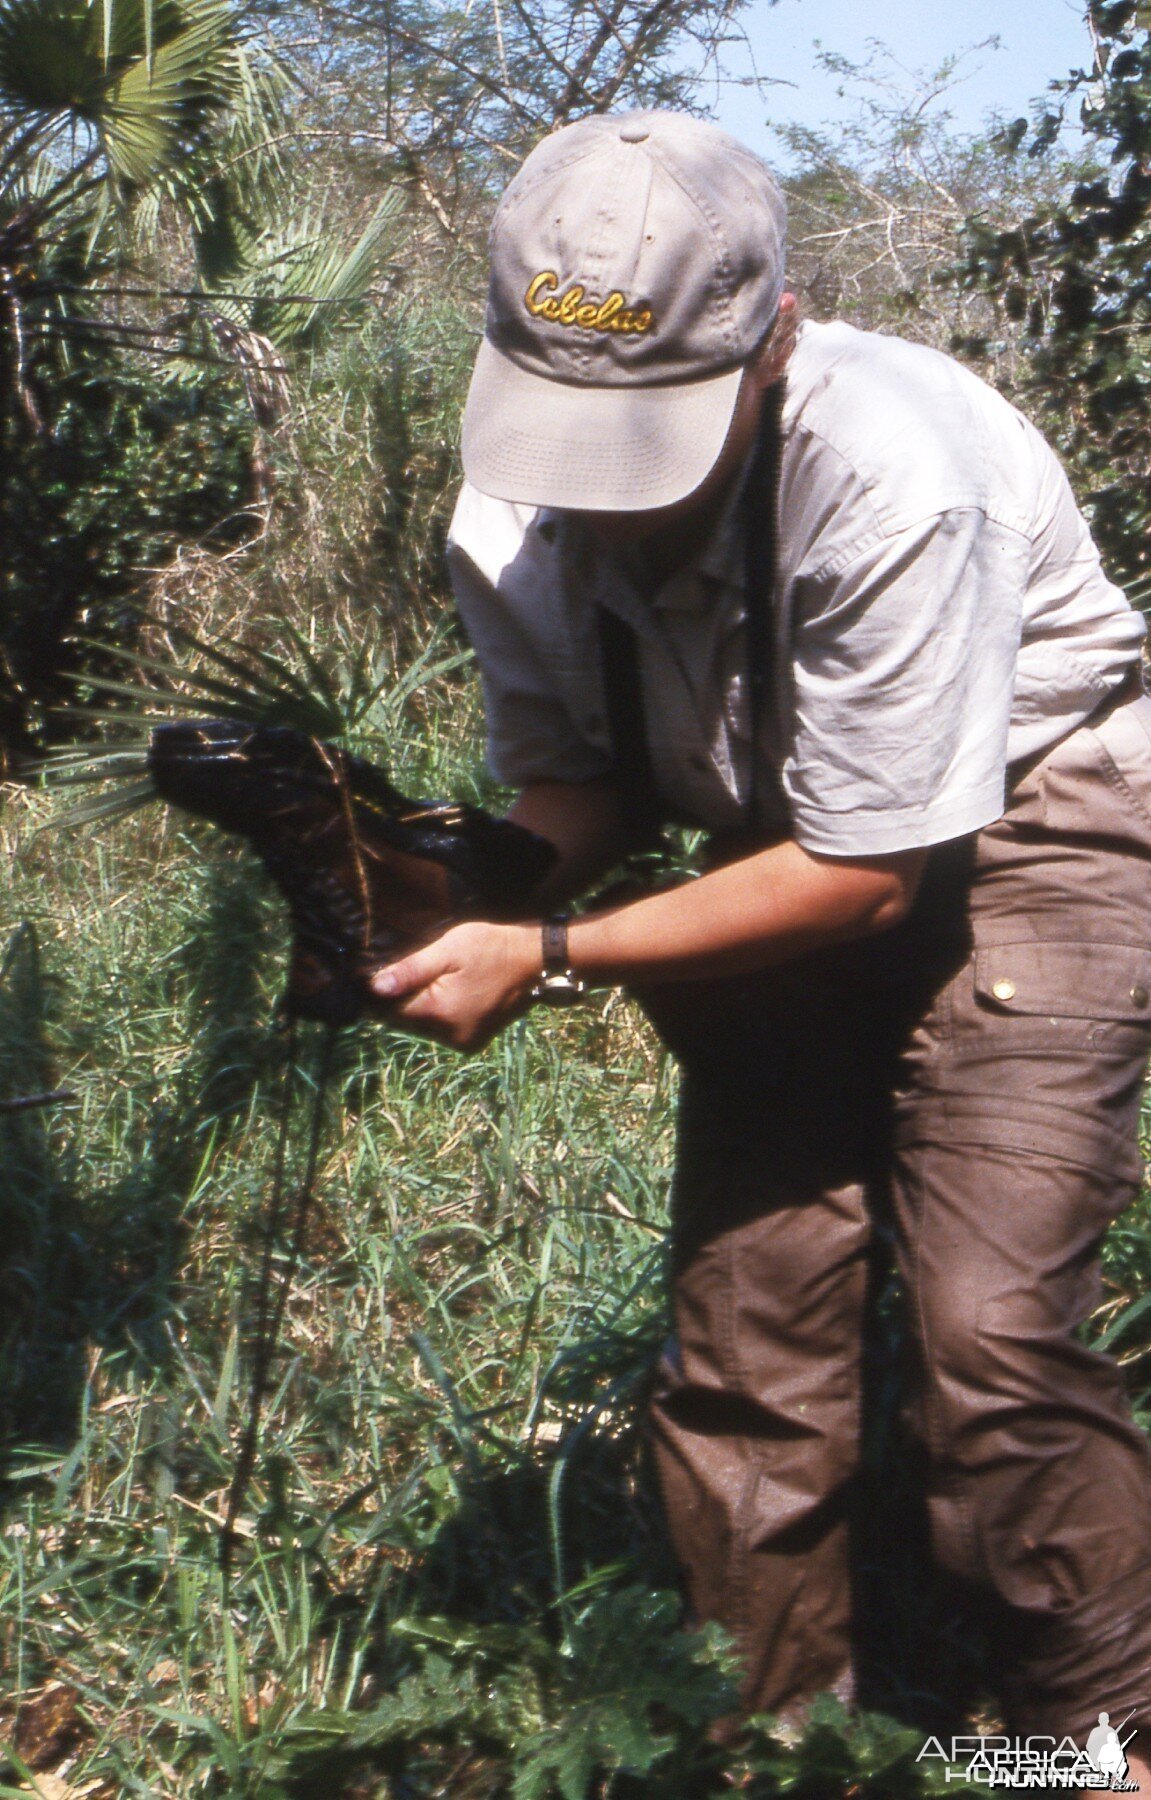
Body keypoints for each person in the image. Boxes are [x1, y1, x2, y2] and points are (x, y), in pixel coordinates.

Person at [370, 110, 1151, 1770]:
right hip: (758, 853)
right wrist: (462, 890)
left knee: (988, 1336)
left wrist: (558, 957)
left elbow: (871, 873)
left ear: (774, 333)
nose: (596, 479)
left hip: (1034, 826)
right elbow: (579, 784)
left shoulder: (890, 462)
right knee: (746, 1338)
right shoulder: (513, 503)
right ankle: (791, 1751)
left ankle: (1097, 1746)